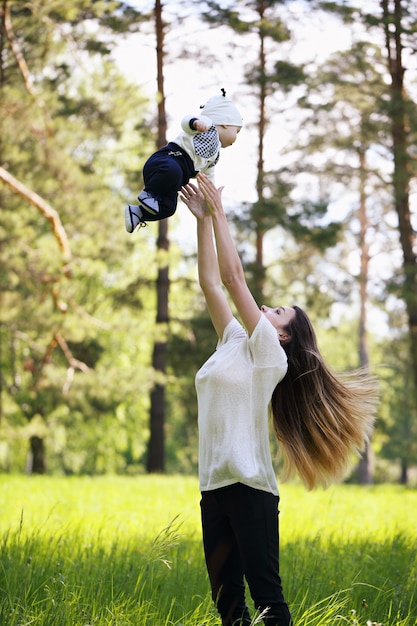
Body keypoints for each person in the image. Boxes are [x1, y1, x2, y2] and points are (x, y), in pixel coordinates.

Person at [180, 173, 378, 626]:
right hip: (213, 487)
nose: (265, 309)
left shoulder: (269, 355)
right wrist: (201, 221)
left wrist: (220, 211)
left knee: (269, 604)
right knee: (228, 606)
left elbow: (233, 278)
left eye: (276, 312)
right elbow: (212, 283)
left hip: (251, 491)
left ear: (283, 334)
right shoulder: (232, 339)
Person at [125, 89, 243, 232]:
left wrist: (209, 196)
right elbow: (186, 120)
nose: (236, 138)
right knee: (174, 170)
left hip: (172, 180)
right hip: (167, 159)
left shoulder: (214, 155)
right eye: (236, 131)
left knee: (169, 208)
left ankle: (137, 213)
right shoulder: (208, 125)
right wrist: (195, 123)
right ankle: (149, 193)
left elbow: (207, 178)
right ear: (225, 123)